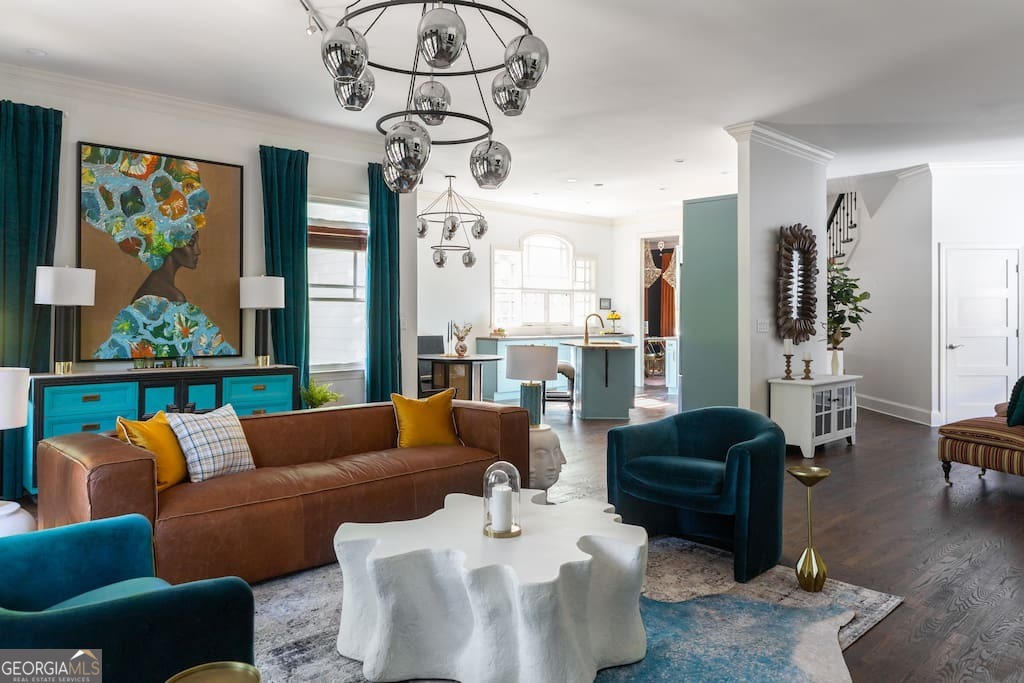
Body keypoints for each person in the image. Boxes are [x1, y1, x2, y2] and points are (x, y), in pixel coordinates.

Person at [81, 145, 237, 359]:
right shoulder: (167, 299)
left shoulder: (154, 293)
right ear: (170, 239)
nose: (198, 251)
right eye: (191, 241)